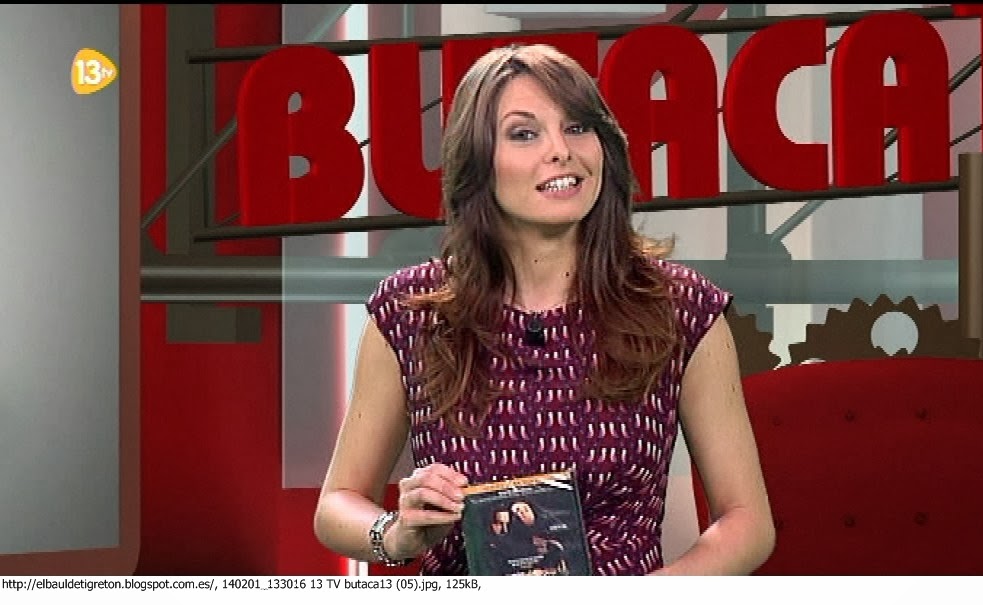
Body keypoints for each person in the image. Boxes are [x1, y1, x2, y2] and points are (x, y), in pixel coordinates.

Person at [313, 42, 775, 576]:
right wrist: (395, 533)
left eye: (577, 127)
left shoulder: (680, 309)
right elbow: (336, 505)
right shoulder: (409, 314)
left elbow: (747, 522)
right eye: (524, 133)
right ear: (479, 161)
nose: (561, 151)